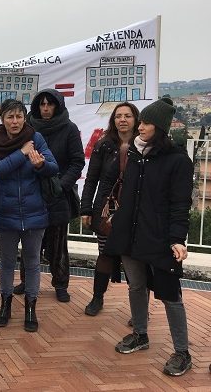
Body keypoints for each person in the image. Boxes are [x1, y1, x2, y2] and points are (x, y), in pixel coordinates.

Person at [105, 99, 194, 376]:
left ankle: (182, 352)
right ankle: (140, 335)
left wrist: (177, 239)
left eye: (145, 122)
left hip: (160, 238)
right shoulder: (133, 153)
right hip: (130, 234)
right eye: (139, 121)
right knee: (136, 287)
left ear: (160, 128)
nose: (138, 126)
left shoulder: (178, 160)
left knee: (170, 295)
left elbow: (181, 204)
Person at [0, 99, 58, 332]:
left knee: (33, 263)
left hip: (35, 213)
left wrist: (40, 165)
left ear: (24, 117)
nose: (15, 121)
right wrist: (22, 152)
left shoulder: (36, 138)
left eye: (19, 116)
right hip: (6, 213)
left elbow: (53, 167)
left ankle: (30, 308)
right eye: (10, 117)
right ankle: (5, 304)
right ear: (2, 119)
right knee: (6, 262)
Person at [17, 89, 85, 302]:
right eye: (42, 104)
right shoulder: (27, 128)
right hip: (32, 193)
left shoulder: (69, 128)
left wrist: (61, 185)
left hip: (58, 195)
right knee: (29, 241)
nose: (45, 108)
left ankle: (61, 283)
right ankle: (27, 281)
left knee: (57, 244)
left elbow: (77, 162)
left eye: (50, 104)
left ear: (58, 106)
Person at [80, 102, 139, 316]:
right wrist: (86, 209)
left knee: (136, 260)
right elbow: (91, 179)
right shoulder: (103, 144)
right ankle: (97, 298)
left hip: (136, 212)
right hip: (108, 211)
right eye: (118, 116)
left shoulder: (143, 145)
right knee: (104, 254)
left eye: (127, 115)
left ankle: (139, 311)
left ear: (135, 119)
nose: (122, 119)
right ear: (113, 120)